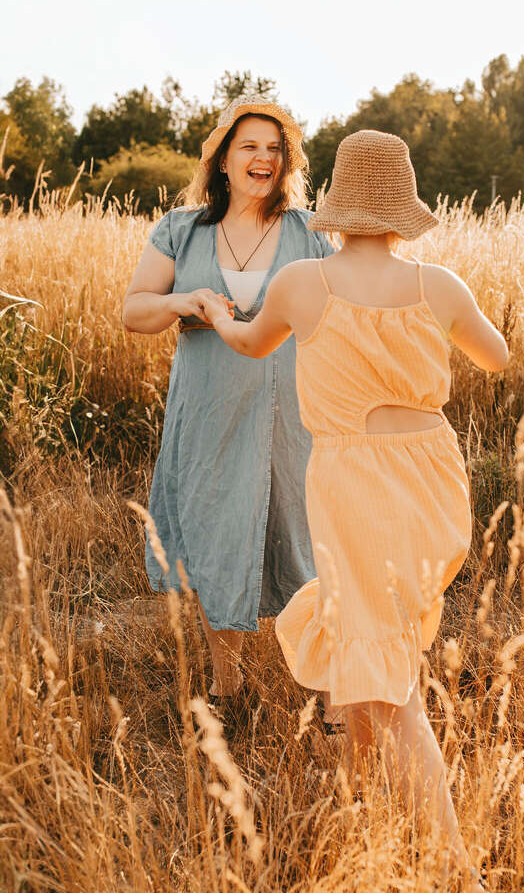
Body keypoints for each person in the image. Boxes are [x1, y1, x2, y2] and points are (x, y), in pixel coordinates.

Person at [197, 130, 508, 889]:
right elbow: (494, 355)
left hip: (354, 479)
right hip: (432, 474)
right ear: (403, 211)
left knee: (384, 671)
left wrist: (215, 313)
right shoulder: (438, 283)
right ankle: (368, 818)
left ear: (336, 208)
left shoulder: (303, 282)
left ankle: (455, 866)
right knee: (372, 641)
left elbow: (248, 343)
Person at [122, 94, 333, 700]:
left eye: (274, 149)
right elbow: (134, 311)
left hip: (291, 413)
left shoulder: (309, 231)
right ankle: (228, 687)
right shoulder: (181, 229)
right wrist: (185, 303)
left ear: (286, 161)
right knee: (217, 528)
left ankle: (323, 690)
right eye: (250, 147)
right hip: (210, 407)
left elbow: (338, 311)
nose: (263, 158)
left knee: (301, 537)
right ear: (221, 160)